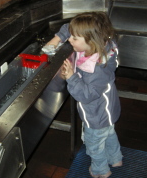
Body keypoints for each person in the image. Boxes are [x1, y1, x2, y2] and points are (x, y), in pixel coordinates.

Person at [45, 12, 123, 178]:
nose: (70, 40)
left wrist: (71, 77)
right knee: (109, 134)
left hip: (96, 115)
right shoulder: (103, 43)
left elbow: (86, 95)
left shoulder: (96, 69)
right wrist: (57, 39)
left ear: (90, 41)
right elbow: (69, 28)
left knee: (94, 145)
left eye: (74, 39)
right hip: (107, 112)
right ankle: (116, 159)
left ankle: (100, 170)